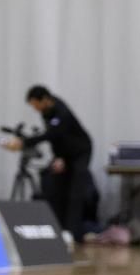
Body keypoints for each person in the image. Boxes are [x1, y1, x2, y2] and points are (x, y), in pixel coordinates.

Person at [6, 84, 98, 241]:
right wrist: (58, 157)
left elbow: (51, 134)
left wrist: (24, 141)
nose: (35, 108)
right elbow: (57, 140)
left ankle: (71, 232)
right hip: (66, 154)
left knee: (76, 190)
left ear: (45, 99)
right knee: (59, 187)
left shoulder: (62, 112)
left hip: (81, 152)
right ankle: (59, 227)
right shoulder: (46, 112)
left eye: (35, 104)